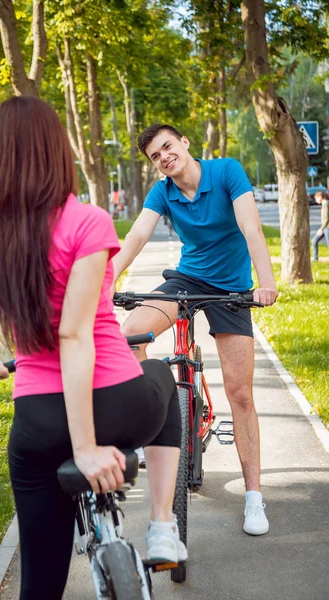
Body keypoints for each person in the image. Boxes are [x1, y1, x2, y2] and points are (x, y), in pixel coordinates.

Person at [0, 100, 186, 600]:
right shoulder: (85, 220)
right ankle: (162, 524)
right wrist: (85, 447)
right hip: (119, 405)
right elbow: (76, 334)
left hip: (39, 419)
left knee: (40, 581)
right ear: (57, 150)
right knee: (166, 380)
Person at [112, 123, 278, 537]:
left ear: (184, 143)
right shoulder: (162, 193)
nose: (164, 156)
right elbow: (135, 236)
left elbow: (251, 228)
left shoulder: (226, 172)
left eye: (167, 146)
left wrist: (266, 282)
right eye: (155, 156)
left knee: (241, 394)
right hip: (187, 279)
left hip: (234, 289)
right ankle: (160, 414)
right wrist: (106, 279)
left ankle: (254, 497)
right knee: (128, 336)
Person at [312, 189, 329, 261]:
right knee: (314, 241)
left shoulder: (326, 204)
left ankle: (315, 258)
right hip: (325, 228)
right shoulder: (325, 204)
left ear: (320, 197)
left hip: (327, 228)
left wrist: (321, 229)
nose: (316, 200)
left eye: (316, 198)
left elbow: (327, 219)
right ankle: (315, 258)